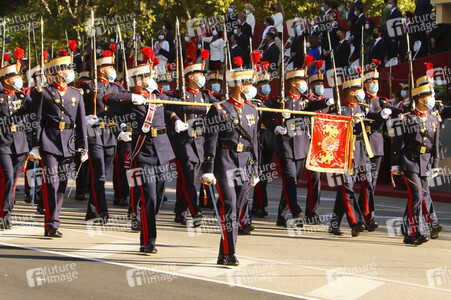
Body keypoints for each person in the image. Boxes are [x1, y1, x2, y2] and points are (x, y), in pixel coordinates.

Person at [103, 62, 182, 253]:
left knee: (158, 198)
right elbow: (107, 98)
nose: (151, 79)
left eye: (150, 76)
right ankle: (148, 241)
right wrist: (132, 96)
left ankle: (147, 225)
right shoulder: (130, 101)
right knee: (150, 197)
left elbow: (173, 107)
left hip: (162, 152)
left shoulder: (158, 97)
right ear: (137, 81)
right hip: (143, 152)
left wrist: (176, 120)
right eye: (146, 77)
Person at [201, 67, 259, 266]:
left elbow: (255, 142)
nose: (252, 88)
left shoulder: (252, 110)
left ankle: (222, 252)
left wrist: (256, 168)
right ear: (240, 86)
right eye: (249, 84)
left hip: (244, 164)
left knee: (239, 207)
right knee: (229, 207)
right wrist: (208, 168)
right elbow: (210, 140)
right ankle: (230, 253)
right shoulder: (219, 109)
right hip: (224, 162)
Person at [29, 55, 88, 237]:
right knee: (52, 182)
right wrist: (35, 145)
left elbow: (81, 122)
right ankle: (51, 224)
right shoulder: (44, 93)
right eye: (68, 69)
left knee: (62, 184)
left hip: (68, 143)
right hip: (49, 141)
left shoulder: (76, 93)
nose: (71, 72)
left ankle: (55, 219)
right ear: (58, 72)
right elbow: (37, 121)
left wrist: (83, 146)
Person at [328, 77, 391, 237]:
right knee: (346, 189)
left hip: (362, 152)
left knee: (366, 185)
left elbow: (371, 124)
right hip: (344, 154)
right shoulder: (338, 109)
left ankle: (366, 218)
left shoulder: (362, 108)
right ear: (350, 93)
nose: (362, 93)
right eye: (358, 90)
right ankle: (355, 222)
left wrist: (381, 117)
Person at [274, 68, 333, 227]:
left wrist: (326, 102)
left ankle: (281, 215)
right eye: (301, 81)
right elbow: (267, 114)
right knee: (290, 180)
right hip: (286, 144)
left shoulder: (305, 100)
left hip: (301, 145)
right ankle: (296, 211)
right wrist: (276, 125)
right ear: (293, 83)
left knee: (291, 182)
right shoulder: (282, 99)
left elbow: (313, 106)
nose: (304, 84)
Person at [391, 83, 440, 245]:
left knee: (423, 196)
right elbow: (397, 144)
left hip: (425, 163)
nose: (432, 100)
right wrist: (395, 165)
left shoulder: (434, 119)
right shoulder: (406, 118)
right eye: (429, 97)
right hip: (409, 161)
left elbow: (436, 145)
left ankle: (411, 233)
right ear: (420, 99)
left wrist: (436, 165)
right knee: (417, 196)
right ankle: (415, 233)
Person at [172, 61, 218, 225]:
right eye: (200, 74)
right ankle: (195, 212)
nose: (203, 77)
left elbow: (217, 106)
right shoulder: (179, 94)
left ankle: (180, 211)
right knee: (188, 178)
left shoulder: (205, 95)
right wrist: (176, 119)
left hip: (200, 142)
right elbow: (168, 108)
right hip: (185, 142)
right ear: (190, 76)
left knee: (189, 180)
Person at [0, 62, 32, 229]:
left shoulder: (22, 96)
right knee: (7, 177)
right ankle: (3, 213)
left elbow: (35, 109)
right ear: (6, 80)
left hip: (19, 143)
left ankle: (6, 214)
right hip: (3, 143)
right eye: (15, 77)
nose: (18, 79)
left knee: (12, 182)